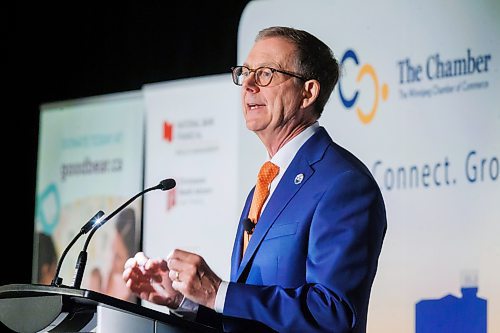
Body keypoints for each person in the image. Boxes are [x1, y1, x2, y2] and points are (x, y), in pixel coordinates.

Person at [123, 26, 387, 332]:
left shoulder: (343, 183)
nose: (247, 84)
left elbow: (333, 315)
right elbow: (250, 321)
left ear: (308, 92)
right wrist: (189, 302)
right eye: (245, 72)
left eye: (265, 73)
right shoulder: (263, 188)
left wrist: (217, 291)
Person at [90, 207, 137, 302]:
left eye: (118, 257)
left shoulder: (128, 291)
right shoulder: (105, 274)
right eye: (111, 249)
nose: (111, 262)